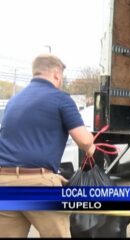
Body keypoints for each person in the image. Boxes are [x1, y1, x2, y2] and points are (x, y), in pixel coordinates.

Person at [0, 54, 96, 238]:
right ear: (56, 75)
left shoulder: (14, 101)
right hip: (39, 183)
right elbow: (84, 140)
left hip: (4, 182)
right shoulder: (60, 98)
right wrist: (90, 148)